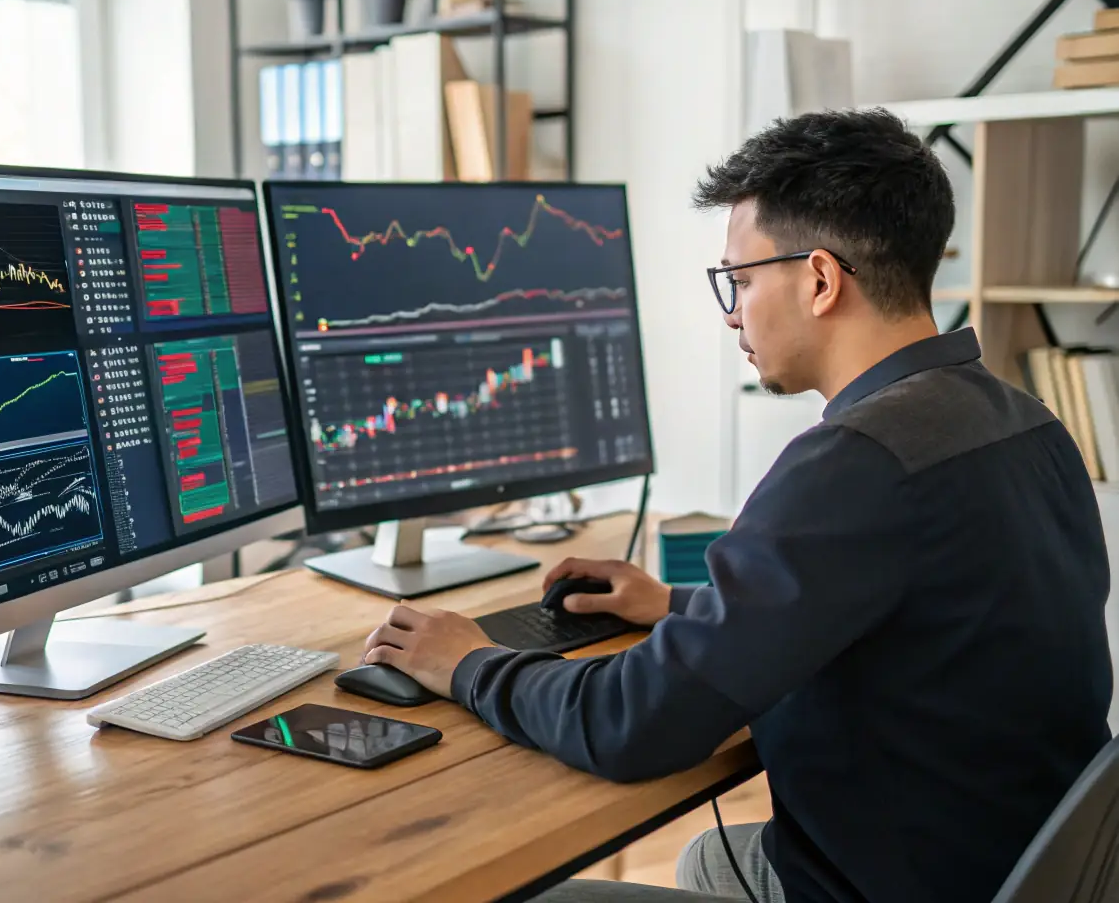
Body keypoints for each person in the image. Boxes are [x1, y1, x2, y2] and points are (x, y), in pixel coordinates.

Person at [360, 109, 1114, 903]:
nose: (730, 313)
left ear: (819, 280)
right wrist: (675, 603)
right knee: (711, 862)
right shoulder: (1020, 420)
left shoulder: (856, 462)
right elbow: (895, 604)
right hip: (1019, 866)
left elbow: (632, 724)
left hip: (891, 884)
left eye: (741, 280)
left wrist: (467, 663)